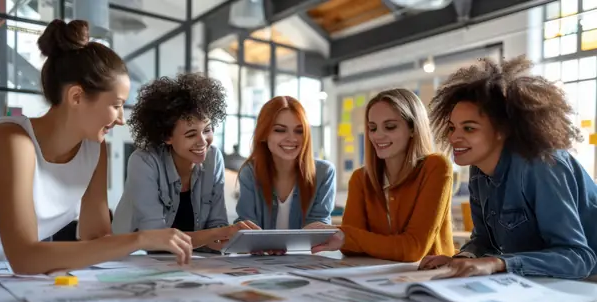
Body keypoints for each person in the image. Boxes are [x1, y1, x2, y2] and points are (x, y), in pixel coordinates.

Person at [0, 19, 193, 275]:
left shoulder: (94, 150)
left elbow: (97, 240)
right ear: (76, 97)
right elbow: (24, 258)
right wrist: (140, 239)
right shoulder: (13, 140)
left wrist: (140, 242)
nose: (121, 118)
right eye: (116, 105)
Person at [419, 56, 597, 280]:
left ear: (502, 130)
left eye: (469, 128)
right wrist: (463, 259)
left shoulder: (542, 165)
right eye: (452, 127)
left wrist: (498, 263)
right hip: (545, 284)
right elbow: (484, 240)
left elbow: (578, 258)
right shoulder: (478, 169)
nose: (454, 137)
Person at [112, 74, 257, 252]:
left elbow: (216, 225)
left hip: (187, 262)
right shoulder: (143, 162)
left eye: (207, 130)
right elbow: (155, 237)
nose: (203, 141)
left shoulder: (213, 159)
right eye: (190, 134)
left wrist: (238, 238)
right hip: (132, 259)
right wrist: (218, 233)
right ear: (167, 136)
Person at [309, 88, 455, 261]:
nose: (378, 136)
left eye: (390, 127)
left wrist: (346, 236)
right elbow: (351, 249)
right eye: (372, 128)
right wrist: (346, 238)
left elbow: (413, 249)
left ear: (413, 129)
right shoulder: (360, 179)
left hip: (431, 277)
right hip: (378, 276)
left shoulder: (436, 167)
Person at [235, 96, 336, 232]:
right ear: (264, 134)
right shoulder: (250, 173)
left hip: (305, 253)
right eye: (280, 130)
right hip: (261, 253)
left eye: (299, 131)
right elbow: (247, 227)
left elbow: (318, 228)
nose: (292, 138)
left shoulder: (325, 173)